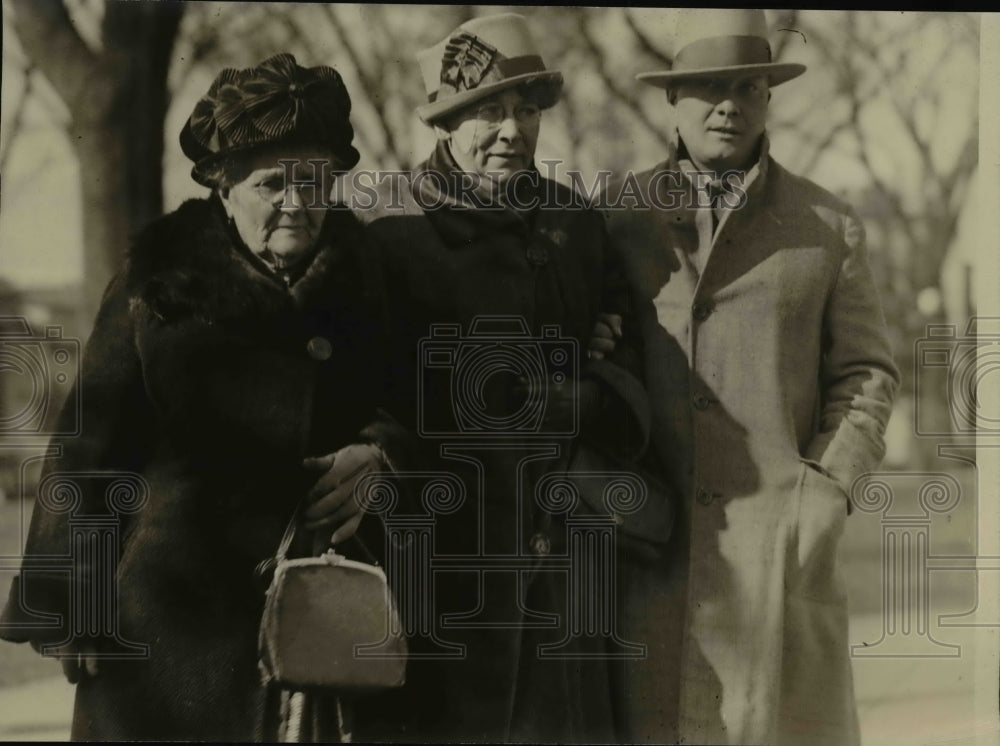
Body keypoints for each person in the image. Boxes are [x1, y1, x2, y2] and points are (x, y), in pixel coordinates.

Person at [0, 53, 400, 741]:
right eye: (274, 183)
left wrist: (382, 455)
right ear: (222, 185)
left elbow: (413, 404)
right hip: (167, 635)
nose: (299, 204)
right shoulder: (160, 285)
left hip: (324, 628)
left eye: (315, 181)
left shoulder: (370, 280)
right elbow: (86, 448)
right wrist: (76, 599)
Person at [344, 13, 653, 744]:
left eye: (526, 109)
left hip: (565, 563)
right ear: (447, 122)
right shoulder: (391, 234)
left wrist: (583, 395)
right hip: (442, 563)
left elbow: (626, 347)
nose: (511, 130)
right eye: (488, 111)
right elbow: (362, 397)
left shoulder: (575, 226)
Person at [599, 9, 900, 746]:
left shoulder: (827, 226)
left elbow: (867, 373)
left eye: (747, 85)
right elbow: (591, 362)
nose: (728, 103)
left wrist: (826, 492)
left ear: (769, 97)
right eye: (707, 86)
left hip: (780, 567)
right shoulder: (617, 220)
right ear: (672, 97)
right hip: (647, 558)